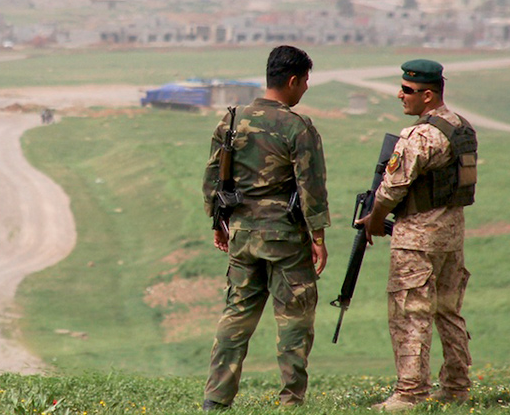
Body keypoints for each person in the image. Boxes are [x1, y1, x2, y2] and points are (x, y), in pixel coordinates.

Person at [201, 45, 330, 410]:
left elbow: (213, 179)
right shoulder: (298, 126)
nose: (305, 88)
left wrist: (218, 223)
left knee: (237, 315)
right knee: (294, 319)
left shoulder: (230, 121)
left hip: (241, 234)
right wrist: (318, 237)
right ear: (292, 81)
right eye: (304, 82)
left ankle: (216, 398)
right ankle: (291, 400)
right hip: (285, 237)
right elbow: (312, 187)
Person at [355, 59, 476, 412]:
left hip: (417, 238)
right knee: (448, 311)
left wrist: (375, 219)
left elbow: (392, 188)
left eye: (407, 91)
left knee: (411, 313)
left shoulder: (419, 135)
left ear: (427, 95)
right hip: (451, 237)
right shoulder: (460, 127)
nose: (400, 95)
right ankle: (456, 385)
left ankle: (410, 393)